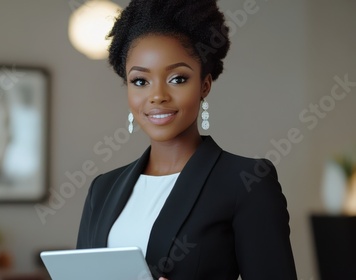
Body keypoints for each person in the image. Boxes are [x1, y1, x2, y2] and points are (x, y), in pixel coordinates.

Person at [76, 0, 297, 279]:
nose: (157, 96)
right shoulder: (103, 189)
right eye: (140, 81)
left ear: (204, 85)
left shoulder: (246, 182)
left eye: (177, 79)